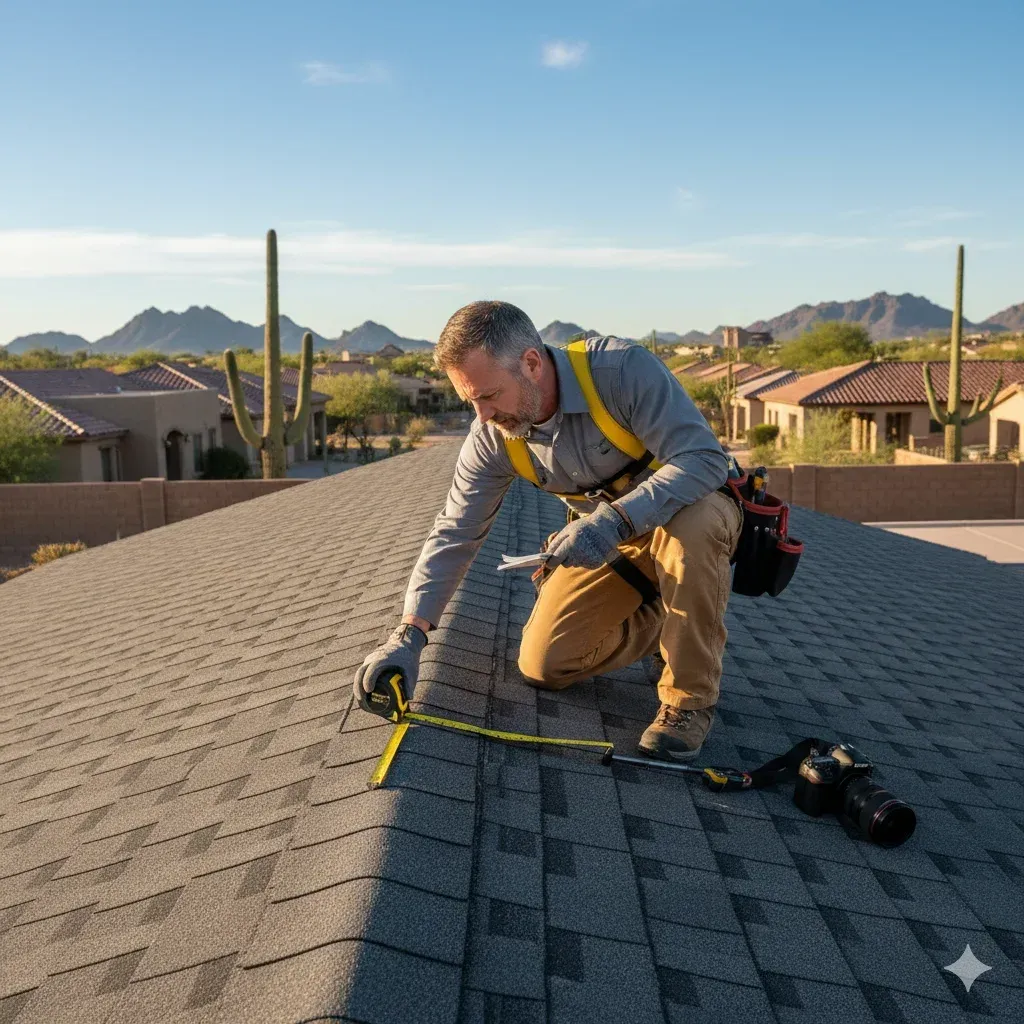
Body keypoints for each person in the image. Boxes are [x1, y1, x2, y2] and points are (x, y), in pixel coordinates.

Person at [353, 301, 742, 761]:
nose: (481, 415)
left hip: (691, 507)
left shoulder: (621, 372)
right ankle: (666, 619)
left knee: (691, 529)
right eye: (470, 400)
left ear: (532, 364)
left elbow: (703, 459)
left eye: (489, 395)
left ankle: (688, 703)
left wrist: (613, 520)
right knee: (547, 663)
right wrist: (409, 635)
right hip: (614, 540)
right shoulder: (492, 437)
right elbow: (456, 531)